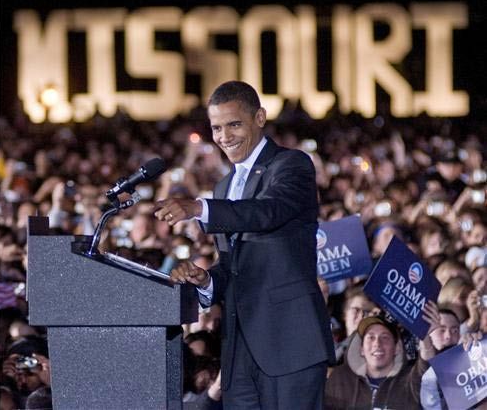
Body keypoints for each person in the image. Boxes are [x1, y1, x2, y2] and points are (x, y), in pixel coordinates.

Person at [154, 80, 335, 409]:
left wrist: (199, 207)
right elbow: (231, 264)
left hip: (290, 342)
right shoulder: (224, 187)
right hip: (238, 351)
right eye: (217, 128)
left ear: (260, 118)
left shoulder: (291, 165)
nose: (225, 137)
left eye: (234, 124)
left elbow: (268, 212)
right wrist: (207, 280)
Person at [325, 302, 440, 410]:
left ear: (397, 348)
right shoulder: (340, 381)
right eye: (371, 337)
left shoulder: (410, 381)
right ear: (361, 349)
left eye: (384, 337)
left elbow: (426, 367)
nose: (377, 344)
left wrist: (425, 335)